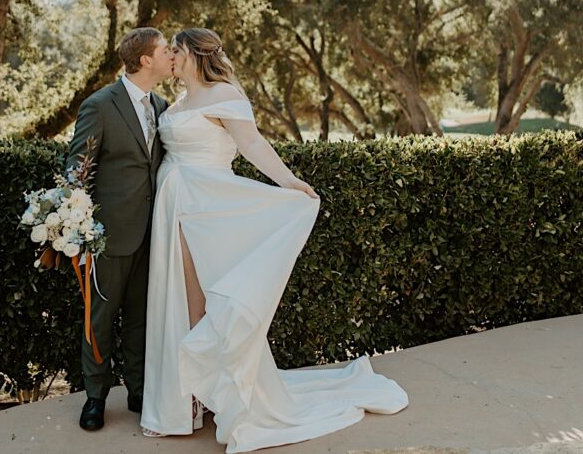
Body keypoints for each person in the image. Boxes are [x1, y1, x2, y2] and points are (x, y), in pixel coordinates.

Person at [140, 27, 408, 453]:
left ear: (192, 53)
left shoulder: (224, 94)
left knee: (205, 302)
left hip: (209, 207)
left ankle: (207, 394)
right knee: (179, 300)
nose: (170, 55)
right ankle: (187, 397)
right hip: (175, 206)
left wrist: (289, 180)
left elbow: (250, 143)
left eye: (176, 49)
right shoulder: (178, 102)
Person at [65, 27, 174, 431]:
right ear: (145, 60)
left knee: (141, 317)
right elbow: (77, 168)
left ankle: (138, 391)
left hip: (154, 233)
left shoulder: (163, 105)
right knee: (100, 317)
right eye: (165, 51)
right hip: (109, 234)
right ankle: (95, 397)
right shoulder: (100, 105)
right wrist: (80, 224)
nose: (171, 56)